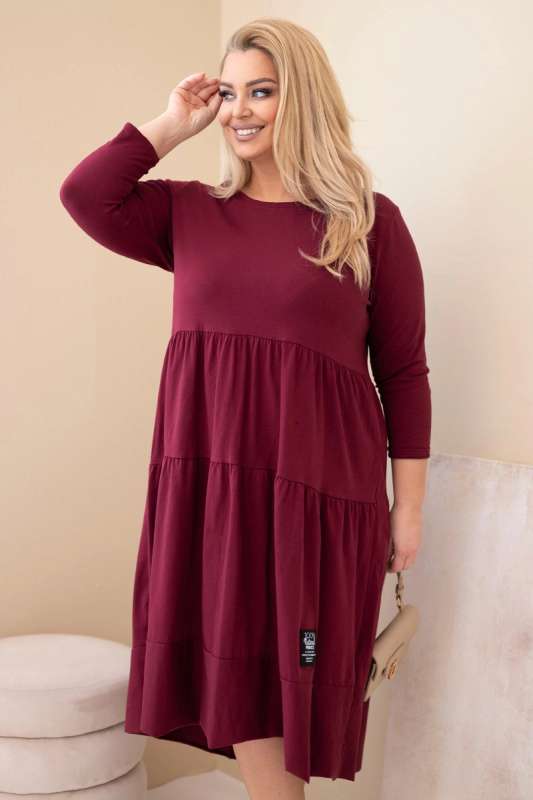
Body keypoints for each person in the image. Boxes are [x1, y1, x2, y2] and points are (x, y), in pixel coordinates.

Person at [59, 17, 431, 800]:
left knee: (293, 674)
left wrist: (408, 511)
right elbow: (85, 195)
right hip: (211, 497)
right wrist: (173, 123)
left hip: (316, 498)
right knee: (239, 677)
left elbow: (402, 375)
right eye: (229, 94)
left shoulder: (367, 223)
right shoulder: (189, 212)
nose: (239, 110)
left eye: (261, 91)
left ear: (304, 98)